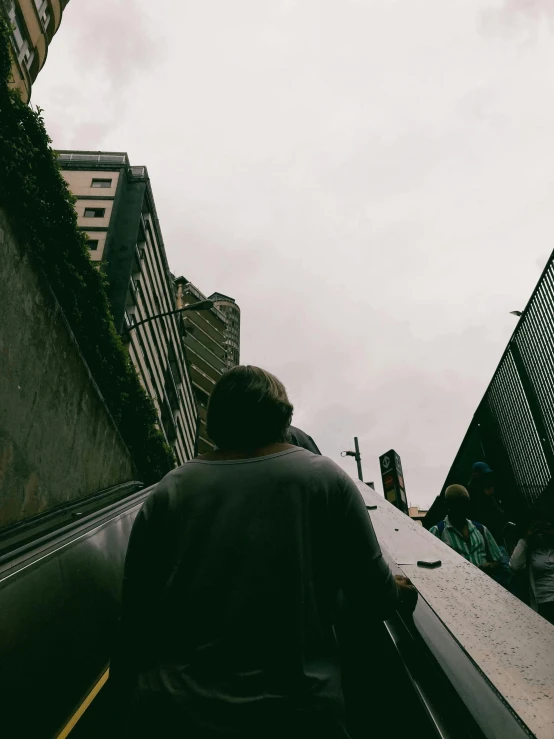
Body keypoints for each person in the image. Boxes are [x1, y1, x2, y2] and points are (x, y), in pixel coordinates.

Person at [110, 365, 416, 739]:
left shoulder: (170, 489)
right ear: (283, 415)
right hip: (299, 715)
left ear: (216, 419)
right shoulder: (325, 479)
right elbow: (375, 598)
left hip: (175, 714)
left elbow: (136, 615)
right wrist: (395, 590)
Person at [429, 485, 504, 576]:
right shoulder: (437, 532)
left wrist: (490, 566)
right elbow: (430, 568)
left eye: (464, 504)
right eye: (456, 504)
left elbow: (498, 561)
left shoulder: (481, 529)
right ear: (447, 505)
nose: (461, 508)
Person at [510, 518, 554, 625]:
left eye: (548, 528)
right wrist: (526, 539)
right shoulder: (530, 550)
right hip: (544, 602)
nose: (544, 532)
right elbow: (514, 566)